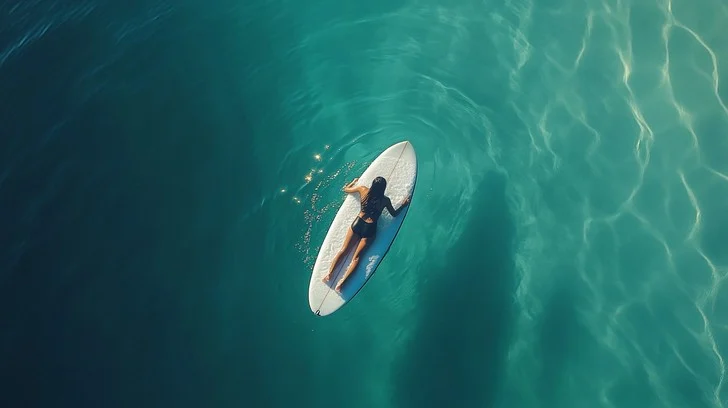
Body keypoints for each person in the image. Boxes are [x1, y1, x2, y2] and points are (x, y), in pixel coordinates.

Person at [323, 176, 411, 293]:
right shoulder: (385, 200)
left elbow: (345, 189)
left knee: (343, 250)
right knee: (356, 258)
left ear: (373, 185)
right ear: (383, 188)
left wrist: (353, 182)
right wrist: (403, 205)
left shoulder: (363, 190)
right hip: (370, 229)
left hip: (358, 224)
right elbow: (394, 214)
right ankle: (341, 286)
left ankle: (329, 275)